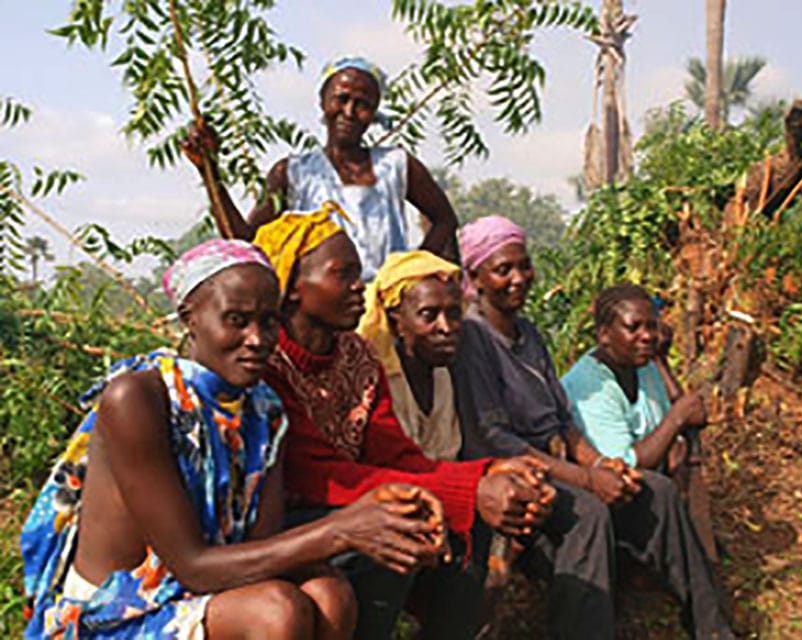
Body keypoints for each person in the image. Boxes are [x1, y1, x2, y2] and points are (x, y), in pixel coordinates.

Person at [20, 239, 448, 639]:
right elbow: (191, 566)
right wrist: (343, 529)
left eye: (269, 321)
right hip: (115, 611)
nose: (258, 339)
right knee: (276, 610)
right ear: (190, 318)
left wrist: (379, 509)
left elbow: (257, 549)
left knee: (329, 593)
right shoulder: (138, 398)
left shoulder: (263, 409)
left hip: (197, 592)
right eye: (237, 321)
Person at [250, 205, 555, 639]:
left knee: (470, 520)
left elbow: (398, 456)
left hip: (349, 504)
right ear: (294, 287)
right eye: (343, 274)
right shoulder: (266, 362)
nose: (359, 286)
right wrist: (467, 488)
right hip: (283, 525)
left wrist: (489, 474)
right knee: (392, 530)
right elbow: (315, 472)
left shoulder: (356, 357)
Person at [451, 215, 735, 640]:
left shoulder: (528, 334)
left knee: (653, 491)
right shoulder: (473, 339)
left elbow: (563, 421)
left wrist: (602, 464)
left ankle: (712, 628)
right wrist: (587, 478)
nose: (518, 278)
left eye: (523, 265)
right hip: (512, 472)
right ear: (476, 276)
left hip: (557, 462)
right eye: (503, 269)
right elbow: (497, 440)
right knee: (587, 512)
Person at [180, 55, 458, 280]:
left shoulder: (397, 165)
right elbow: (245, 243)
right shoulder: (292, 173)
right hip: (318, 319)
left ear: (374, 113)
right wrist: (209, 172)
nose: (349, 112)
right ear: (323, 101)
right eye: (342, 99)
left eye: (362, 104)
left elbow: (444, 219)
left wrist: (410, 274)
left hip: (384, 316)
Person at [561, 283, 706, 471]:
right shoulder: (588, 386)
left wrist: (660, 360)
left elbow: (667, 429)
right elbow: (622, 466)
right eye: (633, 327)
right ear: (604, 335)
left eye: (652, 326)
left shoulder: (642, 365)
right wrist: (677, 419)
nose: (647, 336)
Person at [357, 250, 464, 461]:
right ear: (397, 323)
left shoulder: (440, 376)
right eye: (429, 315)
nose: (446, 327)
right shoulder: (378, 383)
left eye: (453, 314)